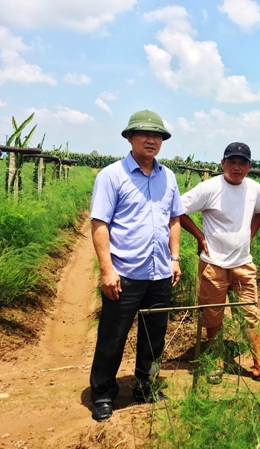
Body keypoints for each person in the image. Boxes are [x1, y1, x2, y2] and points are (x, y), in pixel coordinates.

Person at [89, 110, 183, 422]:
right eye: (143, 134)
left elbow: (174, 220)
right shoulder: (112, 176)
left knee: (154, 336)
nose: (151, 140)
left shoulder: (167, 176)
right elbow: (100, 224)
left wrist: (175, 258)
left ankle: (146, 385)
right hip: (124, 274)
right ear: (129, 138)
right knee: (113, 336)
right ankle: (102, 393)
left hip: (159, 273)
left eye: (157, 135)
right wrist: (107, 269)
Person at [179, 142, 260, 385]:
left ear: (249, 166)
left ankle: (259, 364)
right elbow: (178, 209)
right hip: (214, 264)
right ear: (222, 163)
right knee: (213, 315)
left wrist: (249, 236)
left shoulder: (254, 189)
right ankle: (216, 360)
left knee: (249, 314)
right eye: (231, 162)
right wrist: (200, 237)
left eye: (242, 162)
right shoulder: (209, 188)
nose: (236, 167)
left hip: (243, 264)